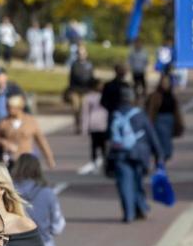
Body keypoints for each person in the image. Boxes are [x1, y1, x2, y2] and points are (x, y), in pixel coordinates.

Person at [108, 85, 162, 223]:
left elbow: (109, 136)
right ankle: (141, 208)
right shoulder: (139, 114)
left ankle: (129, 213)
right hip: (139, 154)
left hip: (120, 154)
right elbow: (151, 135)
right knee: (137, 182)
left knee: (124, 183)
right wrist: (158, 155)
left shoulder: (114, 115)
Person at [0, 93, 56, 169]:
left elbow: (41, 141)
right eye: (7, 107)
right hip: (9, 161)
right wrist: (4, 143)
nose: (8, 110)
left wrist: (49, 158)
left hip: (26, 160)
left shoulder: (30, 121)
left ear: (19, 108)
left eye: (11, 107)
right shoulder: (3, 122)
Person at [145, 70, 184, 163]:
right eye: (164, 83)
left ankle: (162, 160)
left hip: (169, 122)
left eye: (167, 83)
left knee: (167, 146)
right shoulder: (155, 96)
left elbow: (176, 111)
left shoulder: (171, 96)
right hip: (158, 121)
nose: (165, 85)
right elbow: (150, 110)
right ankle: (159, 161)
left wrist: (179, 123)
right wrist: (149, 123)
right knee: (159, 143)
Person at [79, 79, 109, 174]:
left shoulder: (104, 96)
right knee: (97, 146)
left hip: (101, 124)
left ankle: (102, 164)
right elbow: (85, 113)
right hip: (96, 125)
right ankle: (97, 164)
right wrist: (84, 128)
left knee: (100, 146)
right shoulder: (88, 98)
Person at [65, 45, 96, 133]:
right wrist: (70, 90)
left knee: (84, 109)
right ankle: (78, 126)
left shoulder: (90, 65)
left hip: (86, 91)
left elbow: (92, 78)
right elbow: (71, 79)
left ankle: (85, 126)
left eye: (82, 53)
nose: (80, 55)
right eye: (79, 53)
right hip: (75, 90)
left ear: (86, 54)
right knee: (76, 109)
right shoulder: (74, 65)